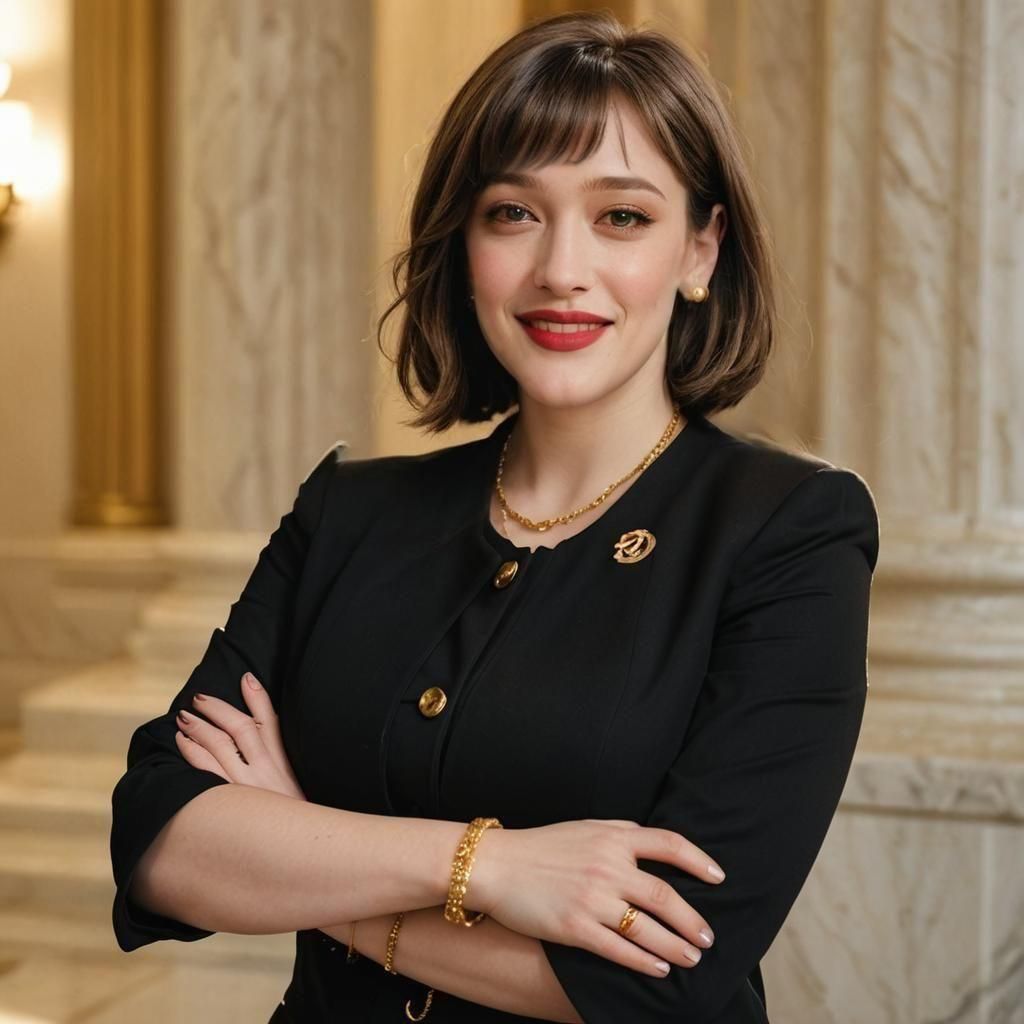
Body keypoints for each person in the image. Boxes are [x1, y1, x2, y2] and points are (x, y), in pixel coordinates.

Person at [109, 10, 879, 1023]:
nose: (561, 267)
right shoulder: (349, 511)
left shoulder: (790, 533)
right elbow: (161, 842)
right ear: (462, 241)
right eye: (513, 212)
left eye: (622, 217)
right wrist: (493, 866)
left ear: (701, 249)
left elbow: (657, 975)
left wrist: (306, 851)